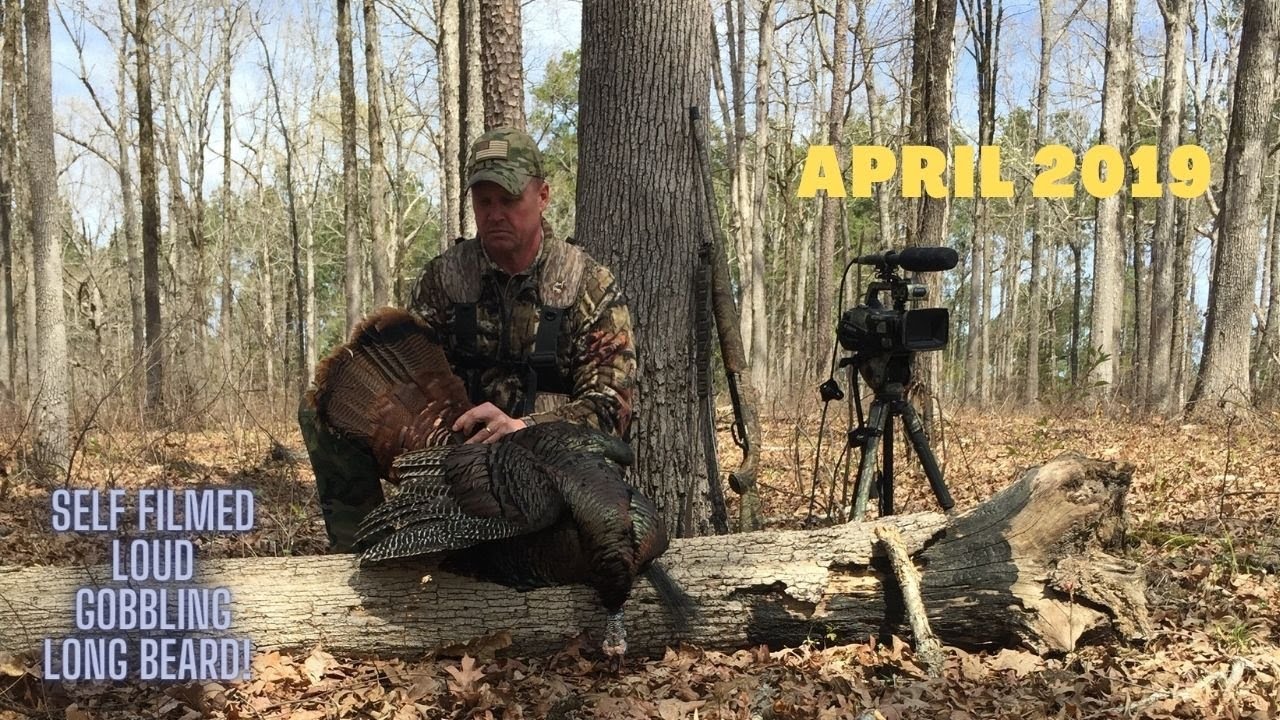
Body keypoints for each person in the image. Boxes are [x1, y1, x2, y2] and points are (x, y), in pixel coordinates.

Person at [299, 126, 638, 551]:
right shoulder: (446, 278)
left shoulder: (588, 284)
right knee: (321, 412)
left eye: (509, 199)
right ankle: (365, 557)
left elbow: (613, 408)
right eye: (484, 201)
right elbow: (411, 377)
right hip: (462, 458)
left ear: (543, 196)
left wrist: (523, 428)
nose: (495, 213)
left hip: (551, 464)